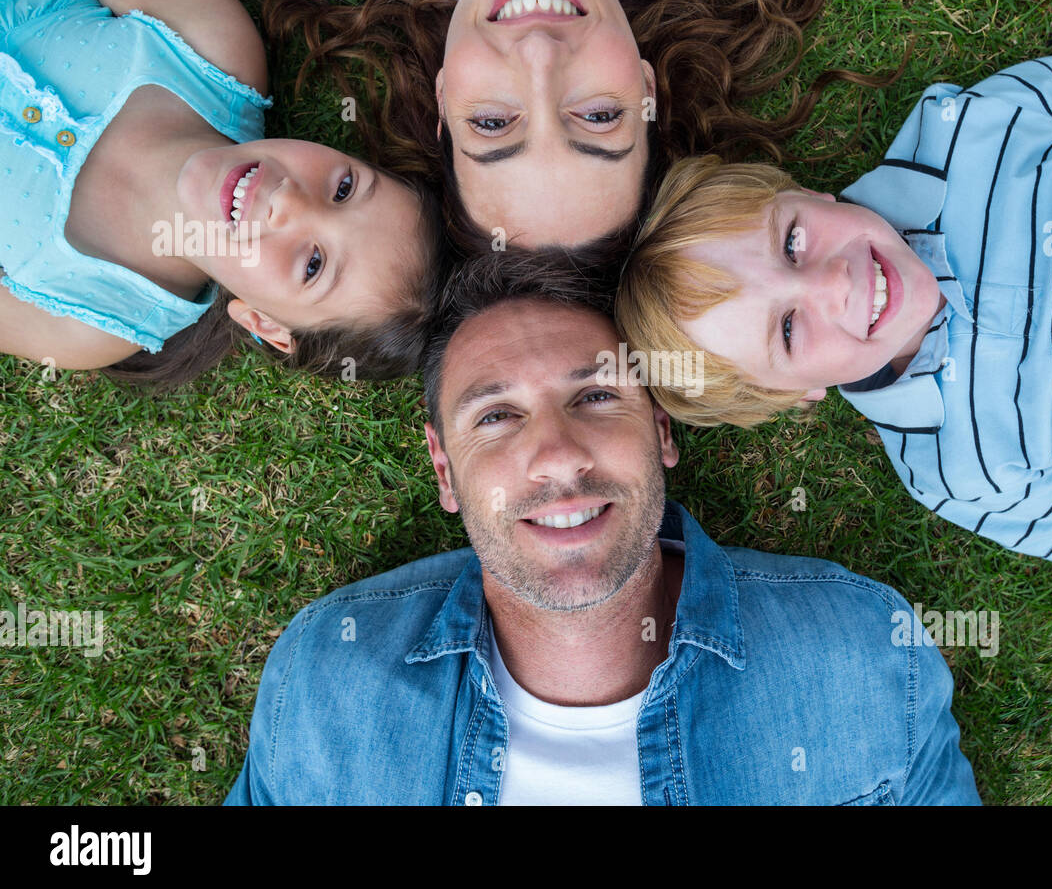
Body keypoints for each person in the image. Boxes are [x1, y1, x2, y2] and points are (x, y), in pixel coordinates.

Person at [225, 269, 981, 805]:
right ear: (444, 470)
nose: (556, 455)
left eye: (594, 396)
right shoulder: (330, 679)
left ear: (661, 429)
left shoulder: (860, 654)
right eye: (496, 416)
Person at [615, 39, 1052, 591]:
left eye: (793, 240)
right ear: (797, 396)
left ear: (807, 193)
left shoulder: (966, 137)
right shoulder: (955, 469)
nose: (836, 283)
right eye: (789, 330)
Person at [254, 0, 892, 251]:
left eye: (495, 122)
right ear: (644, 85)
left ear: (445, 98)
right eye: (599, 115)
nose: (537, 54)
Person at [0, 0, 440, 386]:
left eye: (313, 265)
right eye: (344, 188)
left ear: (264, 324)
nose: (289, 201)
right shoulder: (211, 49)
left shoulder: (92, 321)